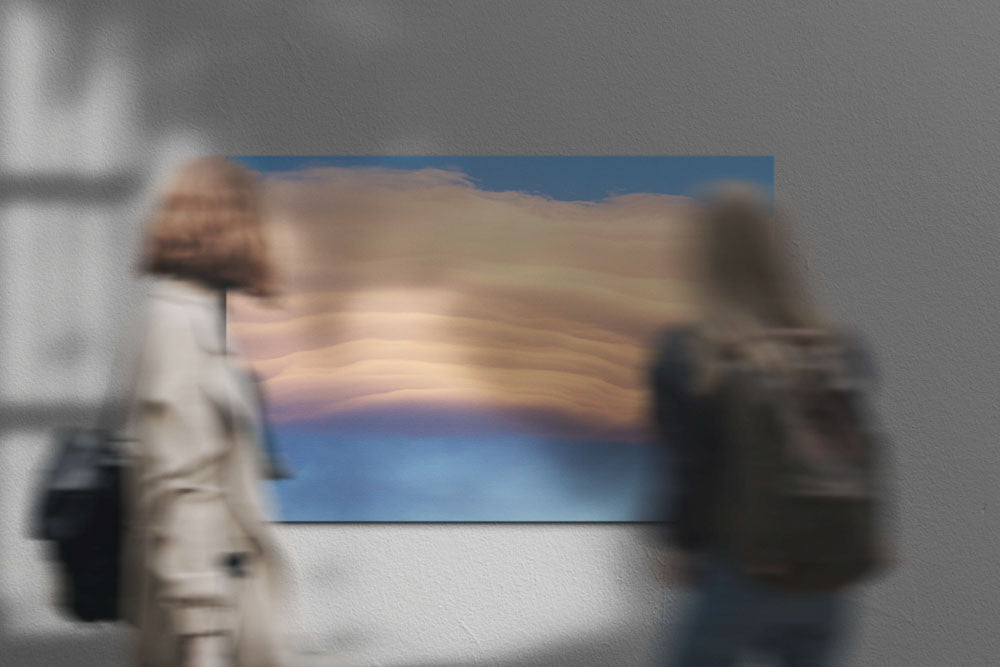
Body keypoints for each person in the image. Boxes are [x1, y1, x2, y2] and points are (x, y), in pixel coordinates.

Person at [649, 185, 879, 666]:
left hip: (742, 570)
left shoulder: (690, 354)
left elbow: (690, 467)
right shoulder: (840, 348)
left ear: (706, 257)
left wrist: (680, 544)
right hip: (827, 572)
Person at [120, 157, 289, 666]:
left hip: (219, 590)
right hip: (212, 607)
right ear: (229, 225)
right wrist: (203, 635)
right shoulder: (178, 322)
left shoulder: (197, 314)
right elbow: (183, 480)